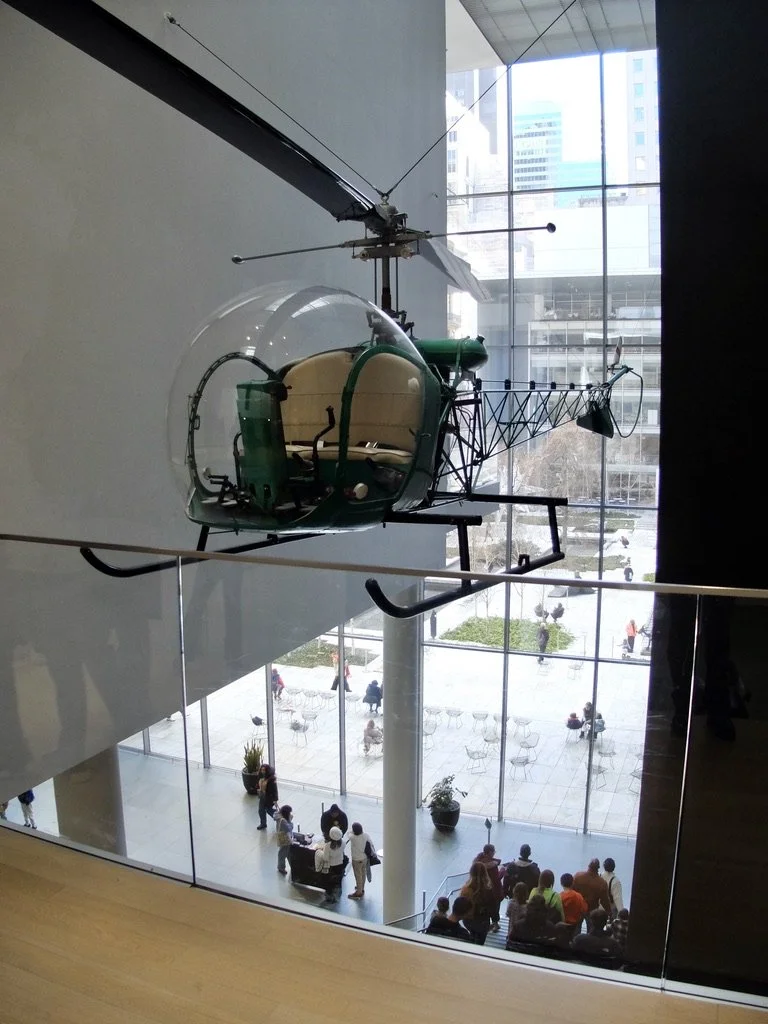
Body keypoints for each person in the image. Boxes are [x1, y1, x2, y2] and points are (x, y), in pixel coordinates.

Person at [459, 861, 494, 945]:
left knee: (472, 937)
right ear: (485, 873)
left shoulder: (465, 889)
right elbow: (492, 906)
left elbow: (460, 904)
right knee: (479, 943)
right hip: (482, 923)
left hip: (468, 921)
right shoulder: (488, 889)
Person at [473, 844, 503, 932]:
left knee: (486, 908)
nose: (494, 853)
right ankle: (495, 925)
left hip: (481, 891)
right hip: (492, 892)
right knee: (495, 908)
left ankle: (488, 924)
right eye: (494, 852)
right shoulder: (491, 866)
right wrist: (503, 871)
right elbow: (496, 879)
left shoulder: (479, 862)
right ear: (490, 853)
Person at [316, 825, 346, 903]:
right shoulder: (343, 842)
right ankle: (336, 895)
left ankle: (329, 896)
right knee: (337, 880)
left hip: (331, 866)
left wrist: (319, 851)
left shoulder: (328, 846)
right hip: (340, 864)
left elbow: (325, 858)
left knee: (329, 882)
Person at [345, 821, 374, 899]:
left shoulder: (353, 837)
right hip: (364, 858)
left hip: (356, 860)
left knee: (358, 875)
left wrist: (352, 831)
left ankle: (359, 892)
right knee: (363, 873)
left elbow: (348, 833)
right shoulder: (365, 835)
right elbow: (371, 843)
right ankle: (361, 887)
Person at [256, 765, 278, 830]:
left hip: (269, 798)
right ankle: (263, 824)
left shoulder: (271, 779)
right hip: (262, 796)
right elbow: (259, 785)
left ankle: (280, 819)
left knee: (269, 810)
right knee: (261, 810)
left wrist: (275, 799)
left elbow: (274, 790)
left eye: (264, 770)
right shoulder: (261, 776)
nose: (263, 771)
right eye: (262, 770)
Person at [275, 804, 294, 874]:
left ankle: (292, 865)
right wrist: (290, 821)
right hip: (285, 839)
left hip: (282, 838)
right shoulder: (283, 821)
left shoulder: (278, 816)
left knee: (287, 852)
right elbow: (289, 829)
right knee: (283, 853)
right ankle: (281, 867)